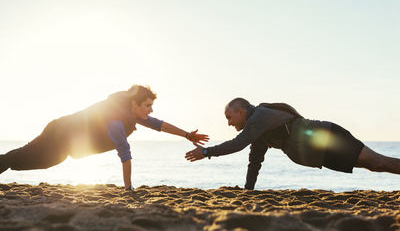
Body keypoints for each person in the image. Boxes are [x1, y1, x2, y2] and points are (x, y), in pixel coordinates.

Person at [0, 85, 209, 190]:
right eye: (147, 105)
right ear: (134, 104)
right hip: (57, 133)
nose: (150, 110)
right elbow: (125, 154)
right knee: (22, 156)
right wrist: (129, 189)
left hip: (64, 143)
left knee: (37, 160)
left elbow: (159, 124)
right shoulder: (116, 122)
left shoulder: (133, 114)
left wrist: (187, 134)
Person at [185, 98, 400, 190]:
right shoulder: (257, 131)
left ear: (241, 111)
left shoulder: (259, 116)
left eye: (229, 117)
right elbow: (254, 161)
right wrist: (248, 191)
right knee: (374, 165)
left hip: (325, 137)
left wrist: (206, 151)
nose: (229, 123)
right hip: (320, 153)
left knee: (377, 161)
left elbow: (237, 144)